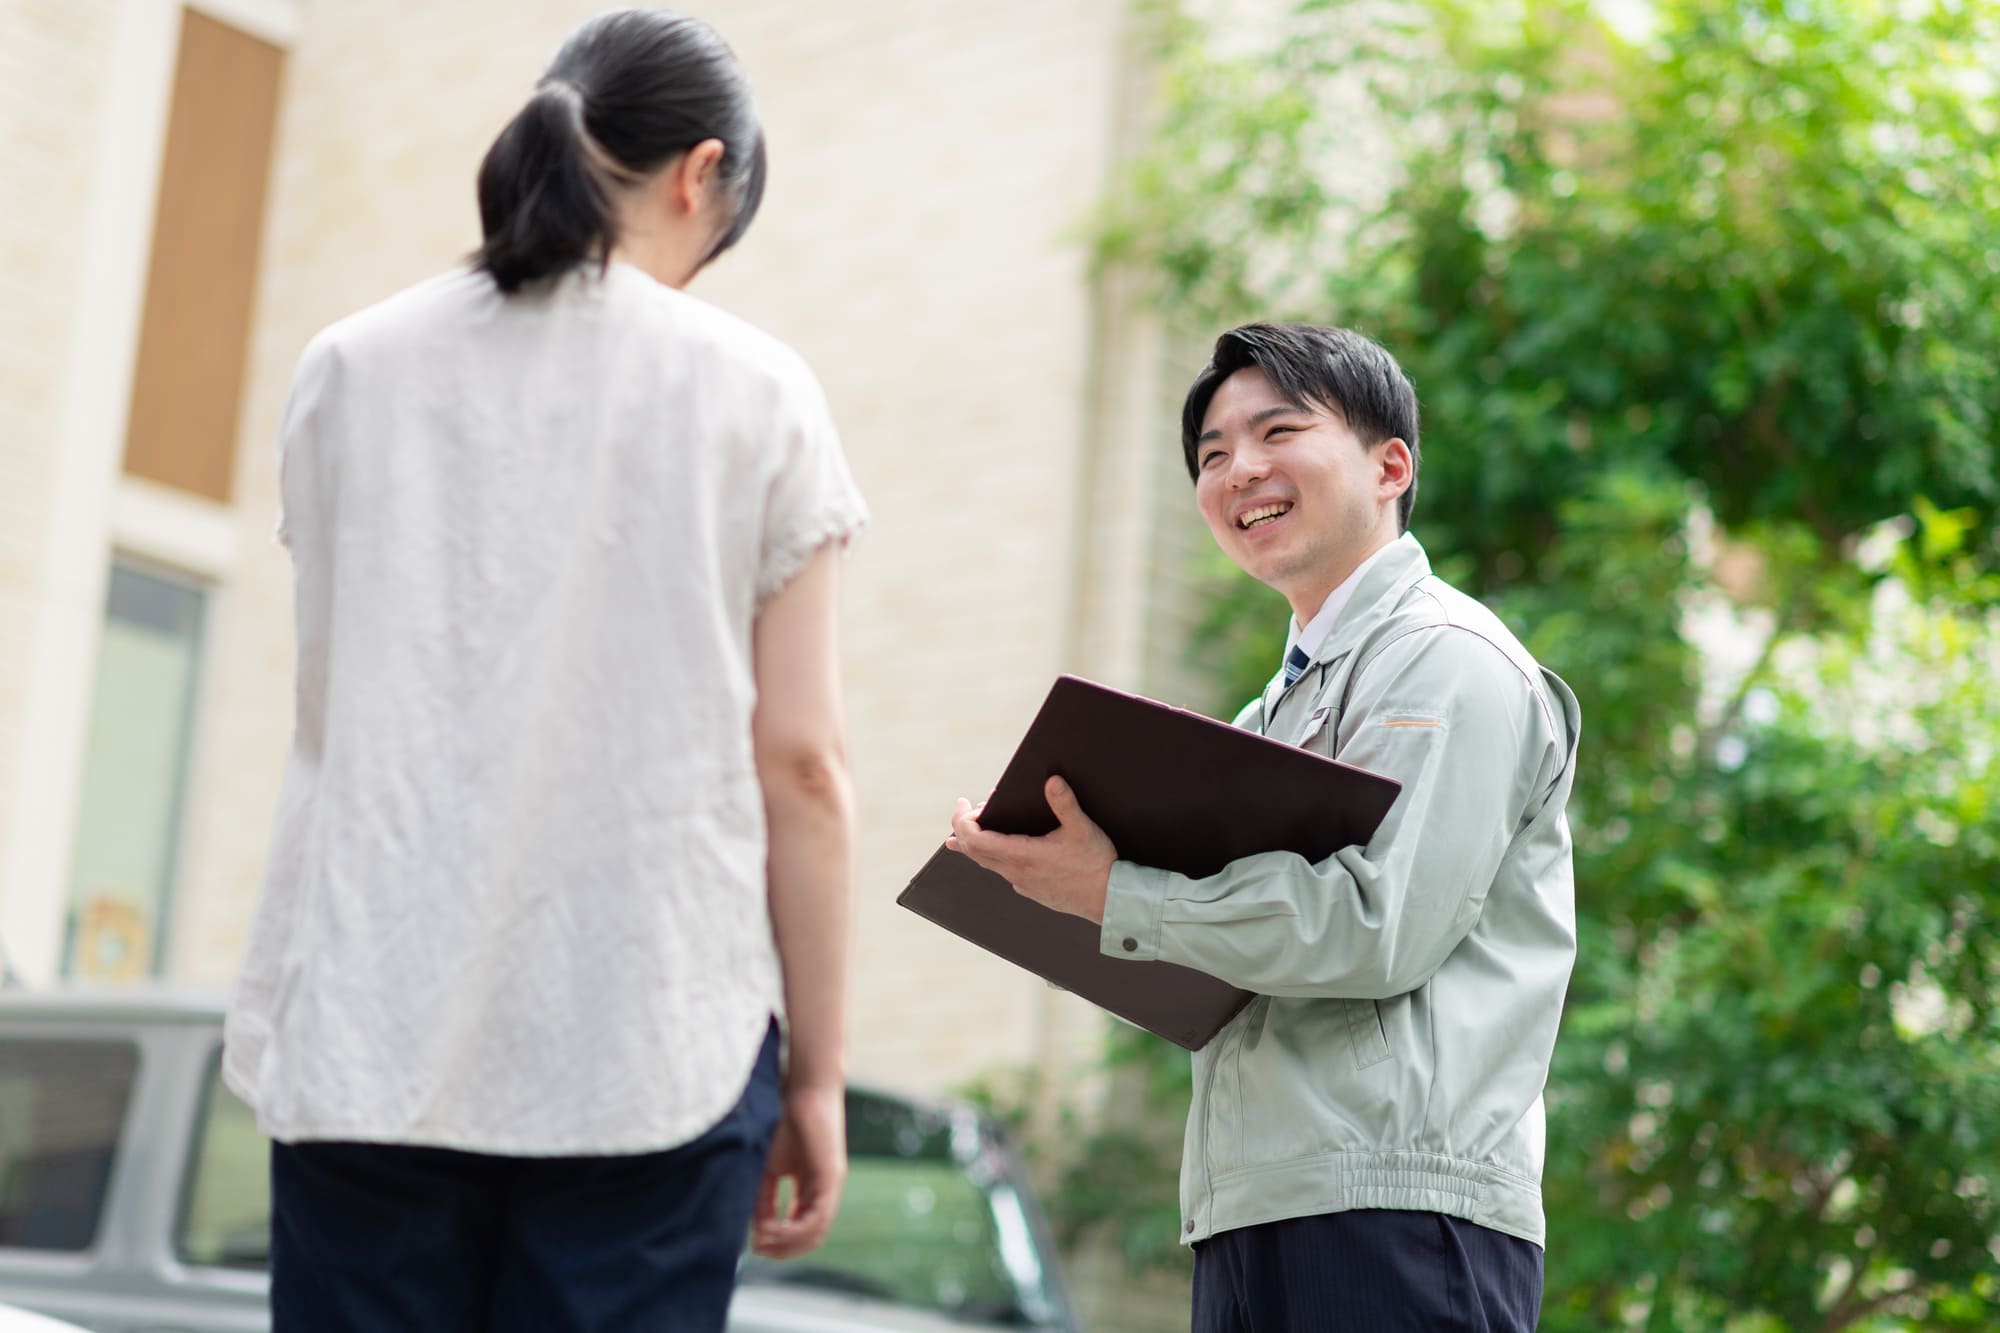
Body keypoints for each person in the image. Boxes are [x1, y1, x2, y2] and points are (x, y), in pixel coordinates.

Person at [223, 10, 867, 1331]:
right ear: (700, 177)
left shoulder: (350, 366)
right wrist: (817, 1074)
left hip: (368, 1026)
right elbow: (803, 766)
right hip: (646, 1040)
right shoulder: (756, 391)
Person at [951, 323, 1580, 1331]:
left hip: (1397, 1209)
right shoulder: (1269, 717)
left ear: (1389, 465)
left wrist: (1118, 893)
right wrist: (1049, 882)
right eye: (1209, 455)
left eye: (1275, 430)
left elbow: (1378, 929)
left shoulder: (1450, 661)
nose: (1239, 468)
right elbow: (1216, 972)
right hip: (1254, 1203)